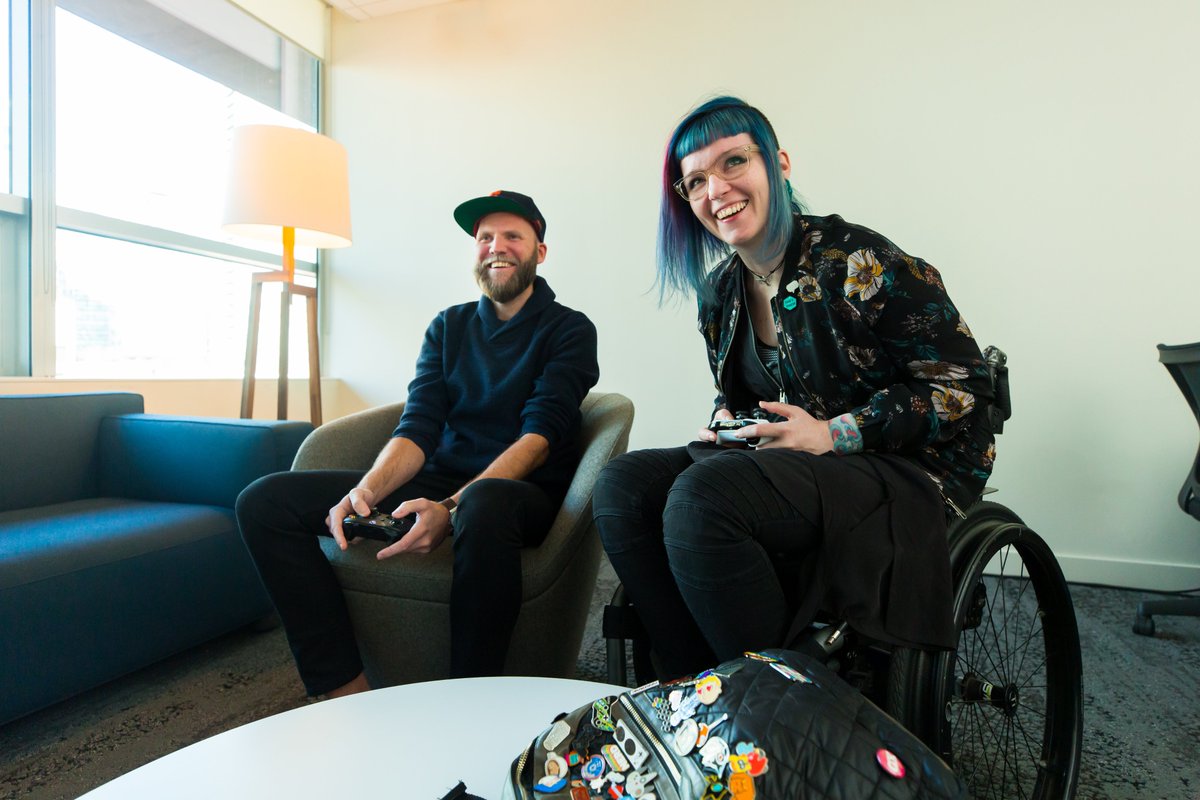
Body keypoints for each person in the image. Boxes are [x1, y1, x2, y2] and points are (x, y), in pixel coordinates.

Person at [593, 97, 997, 681]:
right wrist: (727, 420)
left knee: (701, 497)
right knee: (623, 486)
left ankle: (786, 701)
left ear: (778, 164)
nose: (716, 190)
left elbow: (964, 388)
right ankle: (691, 681)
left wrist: (835, 433)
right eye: (696, 180)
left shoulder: (857, 259)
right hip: (793, 466)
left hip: (903, 468)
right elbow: (751, 390)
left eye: (734, 162)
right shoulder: (720, 292)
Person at [237, 190, 599, 697]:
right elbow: (417, 428)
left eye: (513, 236)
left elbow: (538, 439)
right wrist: (366, 490)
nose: (497, 247)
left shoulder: (570, 329)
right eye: (485, 238)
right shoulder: (448, 326)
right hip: (437, 479)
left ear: (539, 251)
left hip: (520, 495)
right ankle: (344, 687)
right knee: (264, 501)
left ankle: (467, 701)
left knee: (484, 501)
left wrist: (450, 507)